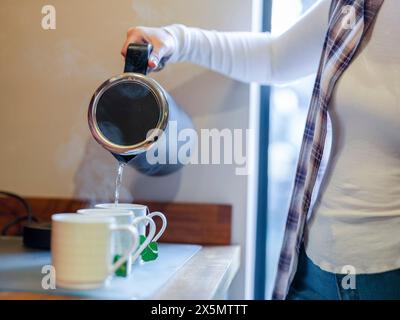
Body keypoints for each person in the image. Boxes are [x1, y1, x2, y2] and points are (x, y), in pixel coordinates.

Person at [121, 0, 400, 300]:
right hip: (314, 264)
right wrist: (176, 39)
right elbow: (274, 58)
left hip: (388, 275)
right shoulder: (355, 6)